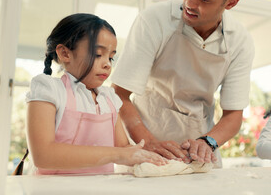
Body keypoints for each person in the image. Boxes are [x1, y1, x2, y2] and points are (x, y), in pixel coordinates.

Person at [111, 0, 254, 166]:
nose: (190, 2)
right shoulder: (154, 20)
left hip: (200, 153)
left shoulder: (240, 41)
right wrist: (147, 142)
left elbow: (233, 115)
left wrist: (208, 142)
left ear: (231, 2)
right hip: (144, 149)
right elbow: (119, 94)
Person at [26, 13, 166, 175]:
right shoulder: (49, 89)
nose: (107, 64)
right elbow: (44, 155)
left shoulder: (109, 98)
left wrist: (147, 156)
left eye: (111, 58)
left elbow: (123, 148)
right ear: (65, 53)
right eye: (98, 54)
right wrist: (119, 154)